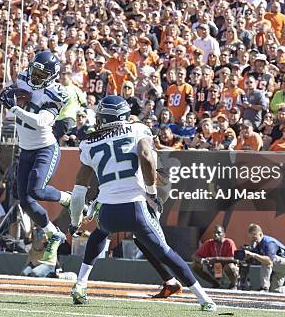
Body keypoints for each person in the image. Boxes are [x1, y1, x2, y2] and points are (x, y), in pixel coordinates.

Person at [67, 95, 217, 311]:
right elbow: (147, 156)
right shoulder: (137, 129)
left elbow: (78, 190)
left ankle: (80, 284)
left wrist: (74, 222)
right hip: (135, 207)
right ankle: (204, 299)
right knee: (165, 251)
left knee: (100, 232)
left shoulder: (90, 143)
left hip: (107, 212)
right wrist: (151, 192)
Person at [0, 51, 71, 273]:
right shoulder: (22, 78)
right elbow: (13, 91)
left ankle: (66, 198)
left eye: (42, 73)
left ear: (52, 76)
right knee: (26, 201)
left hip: (44, 148)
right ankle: (52, 232)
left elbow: (42, 122)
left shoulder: (56, 93)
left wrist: (15, 108)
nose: (36, 75)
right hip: (25, 149)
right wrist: (8, 95)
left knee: (37, 190)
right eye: (35, 70)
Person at [244, 224, 285, 295]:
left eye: (254, 238)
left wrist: (253, 254)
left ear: (260, 234)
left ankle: (264, 288)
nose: (253, 241)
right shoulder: (259, 244)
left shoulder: (268, 242)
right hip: (281, 265)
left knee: (266, 261)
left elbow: (269, 260)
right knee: (274, 292)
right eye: (252, 238)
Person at [192, 225, 240, 289]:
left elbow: (235, 259)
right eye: (214, 232)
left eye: (218, 233)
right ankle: (215, 284)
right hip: (215, 268)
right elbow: (194, 256)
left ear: (224, 234)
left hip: (226, 270)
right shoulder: (209, 242)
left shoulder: (229, 242)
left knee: (230, 266)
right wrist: (203, 260)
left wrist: (216, 259)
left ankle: (233, 285)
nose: (216, 234)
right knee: (195, 265)